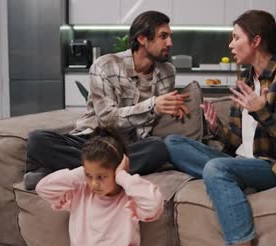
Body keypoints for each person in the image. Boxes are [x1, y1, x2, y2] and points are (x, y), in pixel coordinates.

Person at [164, 10, 276, 246]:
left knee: (216, 168)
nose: (230, 44)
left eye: (236, 38)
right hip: (243, 158)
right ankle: (233, 178)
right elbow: (235, 141)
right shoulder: (246, 77)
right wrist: (214, 127)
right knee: (172, 143)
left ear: (255, 41)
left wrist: (262, 111)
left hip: (274, 164)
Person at [24, 11, 189, 190]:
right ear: (142, 39)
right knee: (37, 140)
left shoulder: (167, 72)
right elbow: (107, 119)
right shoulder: (105, 65)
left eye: (170, 37)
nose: (170, 43)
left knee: (157, 148)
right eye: (163, 37)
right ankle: (108, 174)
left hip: (129, 147)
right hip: (93, 140)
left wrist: (178, 109)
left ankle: (65, 174)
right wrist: (153, 106)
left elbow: (160, 119)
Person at [36, 127, 164, 246]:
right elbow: (43, 188)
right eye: (89, 176)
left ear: (117, 170)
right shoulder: (80, 192)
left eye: (101, 177)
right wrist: (81, 172)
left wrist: (123, 176)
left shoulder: (129, 198)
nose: (94, 184)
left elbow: (154, 204)